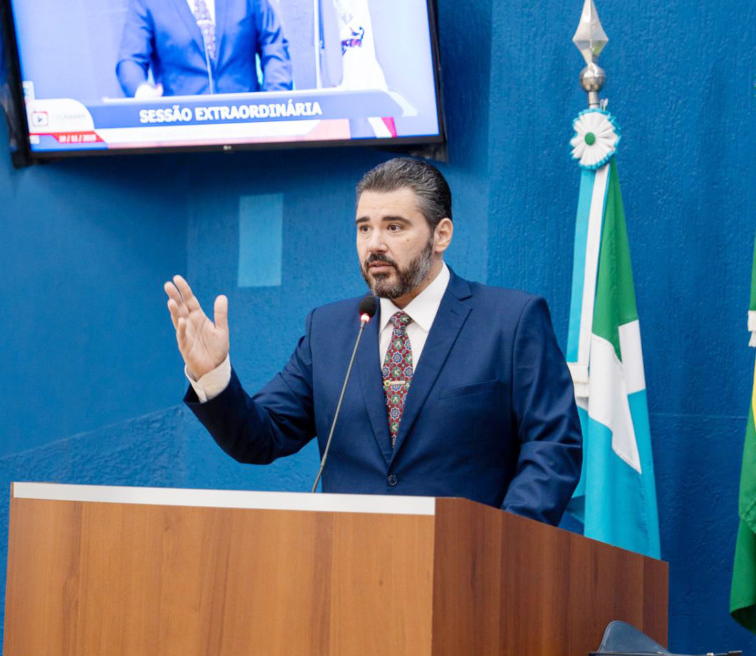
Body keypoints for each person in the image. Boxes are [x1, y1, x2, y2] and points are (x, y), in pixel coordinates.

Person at [163, 158, 582, 525]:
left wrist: (503, 544)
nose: (375, 244)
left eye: (394, 227)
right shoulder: (329, 329)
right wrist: (212, 374)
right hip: (349, 573)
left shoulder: (510, 321)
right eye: (365, 228)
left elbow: (553, 446)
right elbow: (261, 437)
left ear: (442, 234)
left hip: (470, 573)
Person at [116, 0, 292, 98]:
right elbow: (130, 60)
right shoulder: (148, 3)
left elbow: (273, 44)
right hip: (181, 134)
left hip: (247, 128)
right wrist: (141, 91)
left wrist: (275, 99)